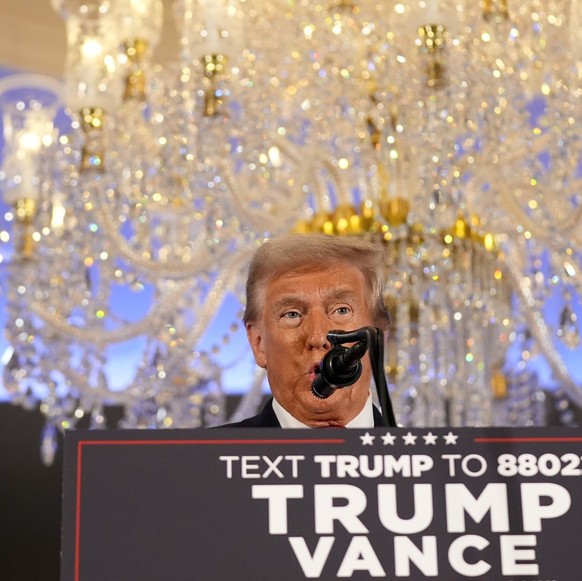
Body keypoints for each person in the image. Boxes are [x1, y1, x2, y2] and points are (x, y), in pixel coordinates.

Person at [226, 233, 391, 428]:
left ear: (378, 337)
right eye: (292, 314)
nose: (317, 337)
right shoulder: (208, 457)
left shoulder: (424, 457)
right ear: (258, 342)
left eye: (341, 310)